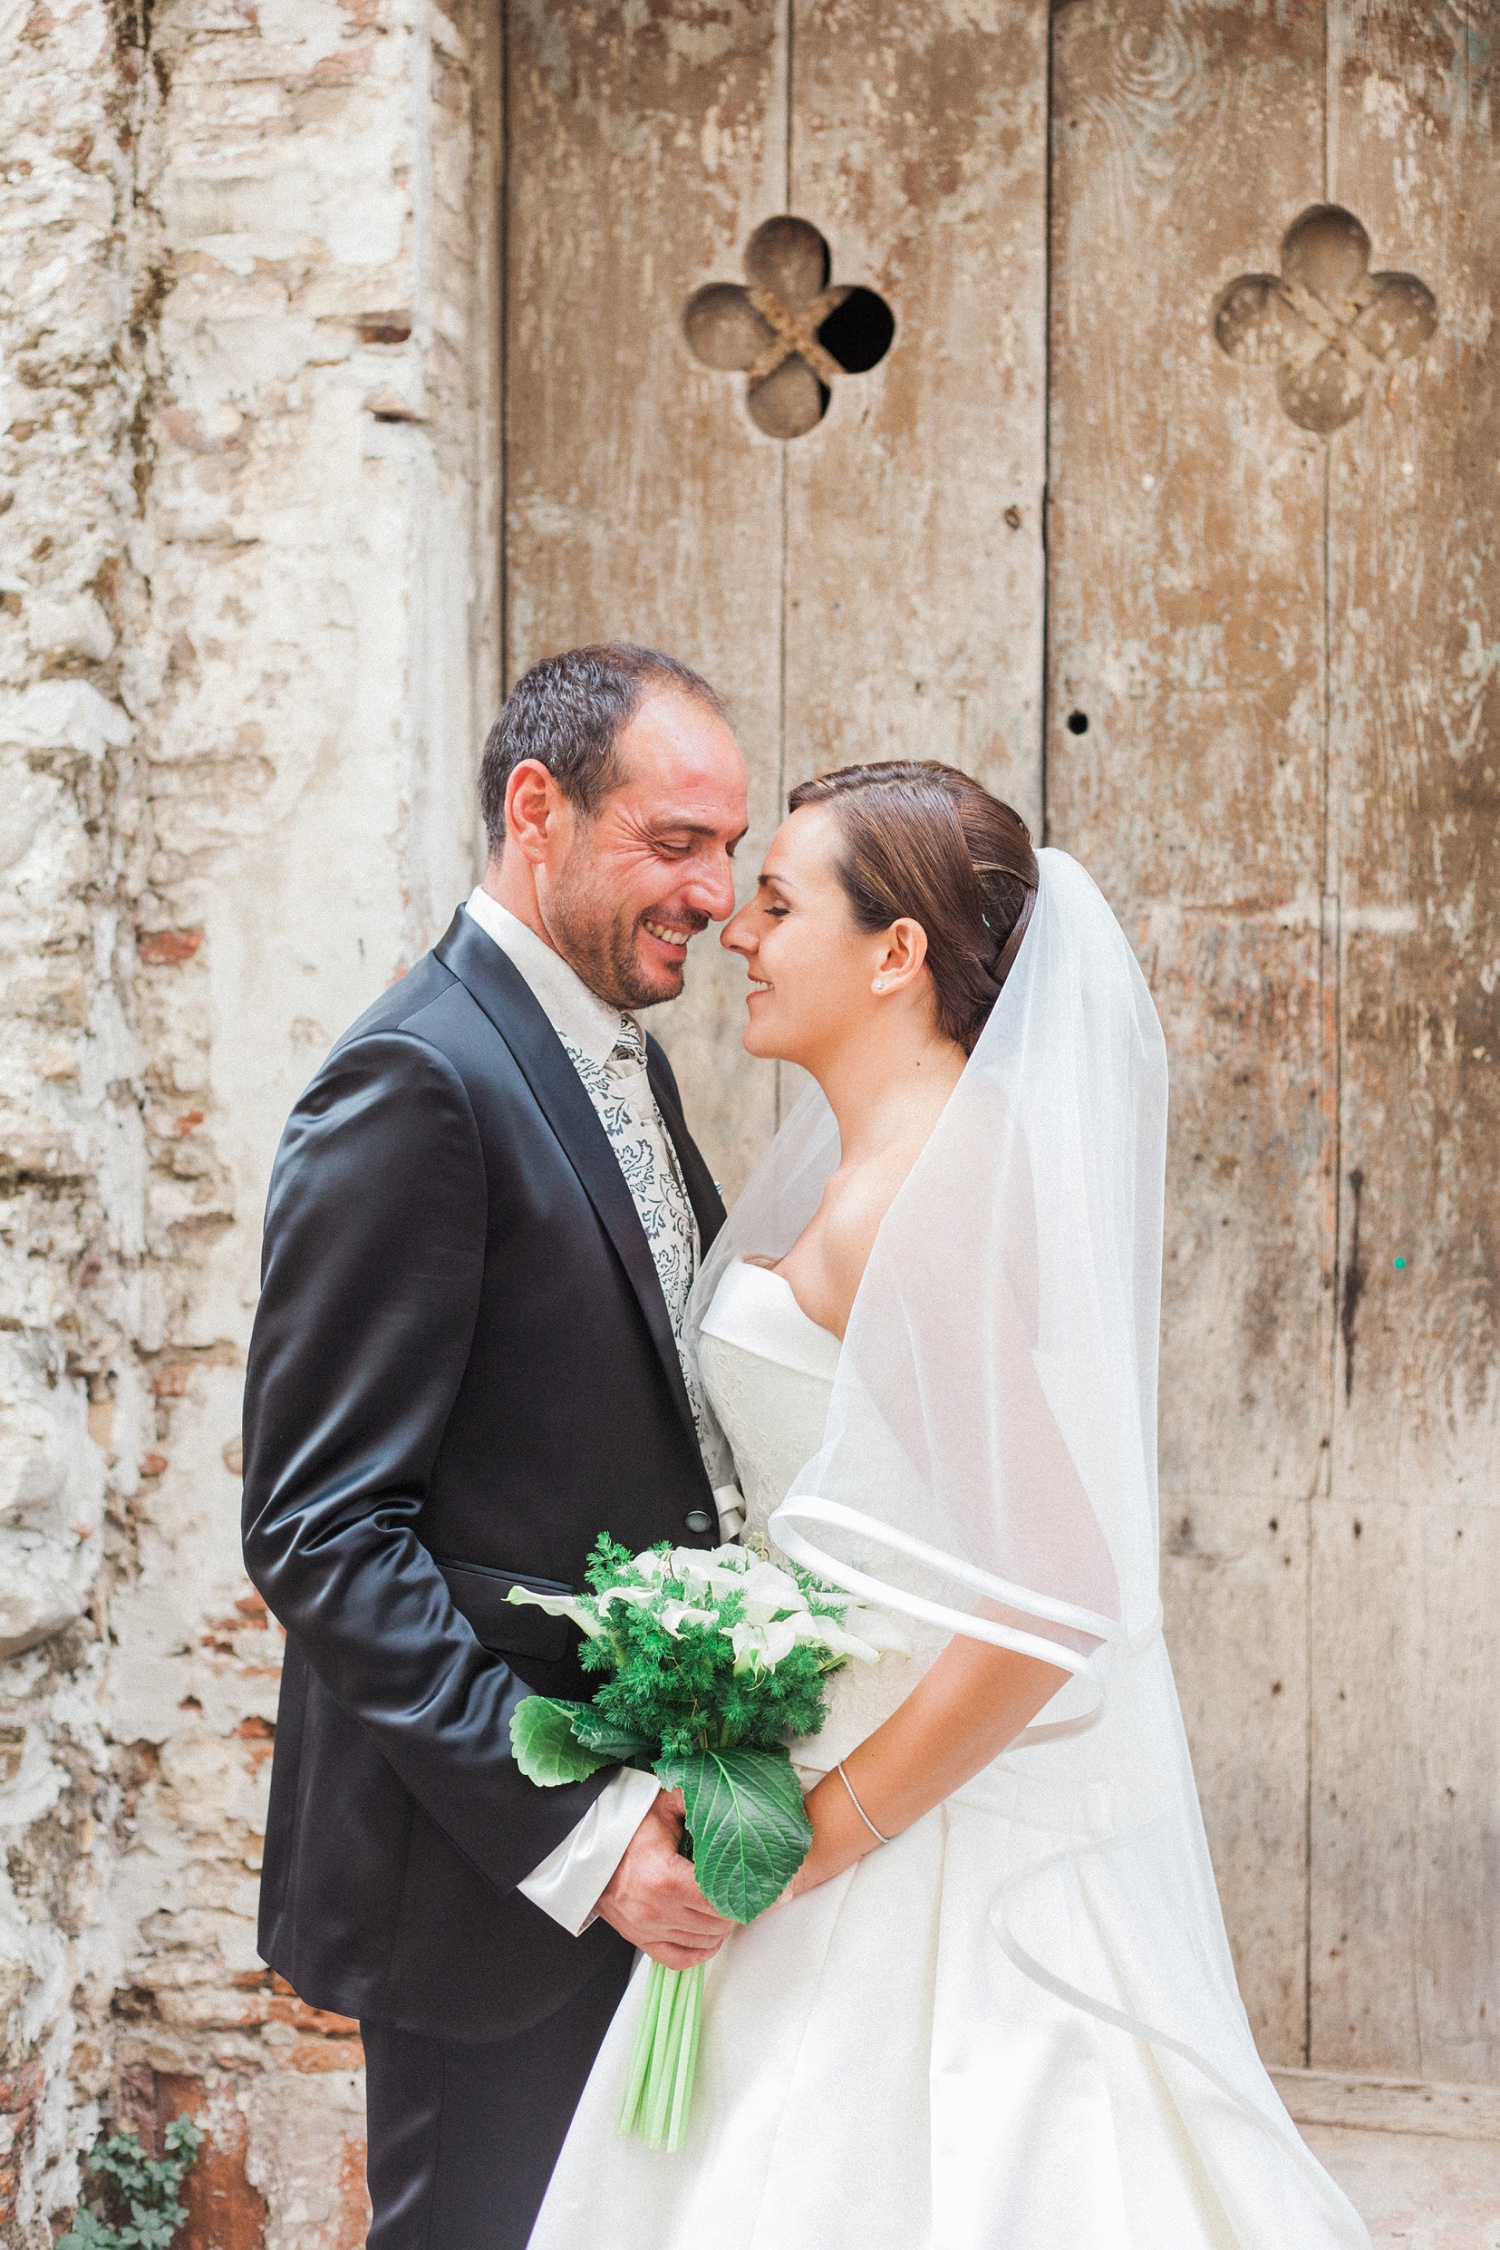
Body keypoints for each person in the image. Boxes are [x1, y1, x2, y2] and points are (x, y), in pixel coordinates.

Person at [530, 761, 1371, 2250]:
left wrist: (819, 1830)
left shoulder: (920, 1205)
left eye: (781, 901)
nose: (740, 928)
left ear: (896, 952)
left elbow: (1055, 1590)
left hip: (912, 1838)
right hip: (840, 1762)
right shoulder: (883, 1173)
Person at [240, 643, 749, 2250]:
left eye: (729, 848)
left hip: (641, 1826)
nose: (718, 893)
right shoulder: (416, 1077)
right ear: (539, 807)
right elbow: (323, 1526)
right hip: (490, 1880)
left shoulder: (621, 1052)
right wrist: (584, 1839)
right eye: (677, 843)